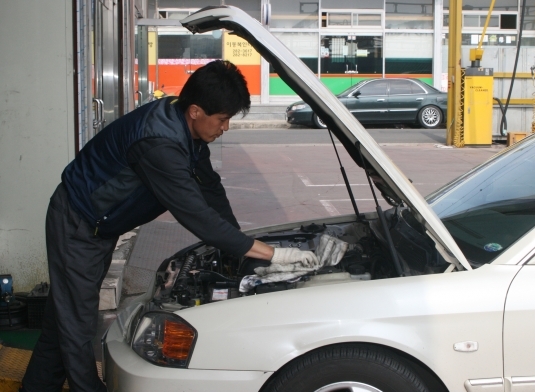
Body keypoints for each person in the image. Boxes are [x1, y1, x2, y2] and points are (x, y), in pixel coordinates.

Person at [21, 60, 315, 392]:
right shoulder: (160, 144)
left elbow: (210, 190)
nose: (226, 127)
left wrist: (238, 243)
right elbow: (196, 215)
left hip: (98, 225)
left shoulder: (182, 127)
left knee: (63, 320)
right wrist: (274, 254)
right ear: (195, 111)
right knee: (77, 323)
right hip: (77, 223)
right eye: (222, 119)